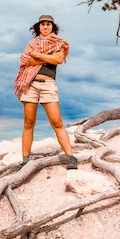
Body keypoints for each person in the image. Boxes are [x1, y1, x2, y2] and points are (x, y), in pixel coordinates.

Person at [14, 14, 78, 169]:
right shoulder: (32, 43)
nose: (45, 26)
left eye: (48, 24)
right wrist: (46, 57)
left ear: (52, 27)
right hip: (30, 84)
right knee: (29, 122)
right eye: (42, 24)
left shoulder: (59, 43)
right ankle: (25, 160)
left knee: (57, 121)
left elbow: (58, 60)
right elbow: (26, 60)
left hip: (48, 85)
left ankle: (70, 157)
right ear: (38, 27)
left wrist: (37, 55)